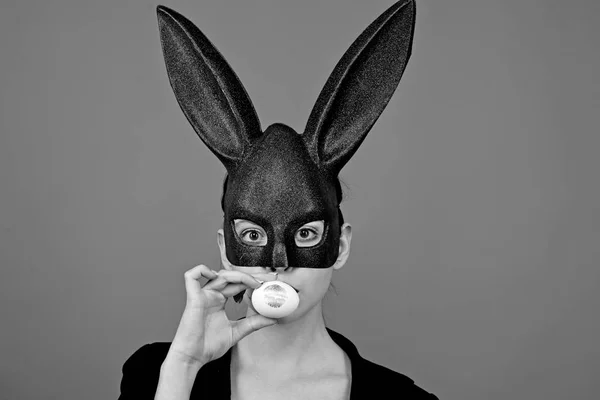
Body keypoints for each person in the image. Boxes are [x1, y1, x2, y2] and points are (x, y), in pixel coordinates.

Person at [118, 1, 438, 398]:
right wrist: (182, 369)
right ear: (224, 248)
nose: (278, 264)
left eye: (306, 234)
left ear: (340, 245)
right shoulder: (158, 375)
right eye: (251, 236)